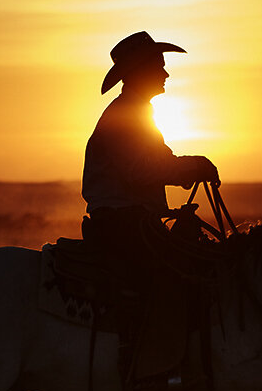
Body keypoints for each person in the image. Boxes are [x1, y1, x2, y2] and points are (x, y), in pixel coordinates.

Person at [81, 30, 219, 270]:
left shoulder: (137, 113)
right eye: (159, 67)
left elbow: (160, 162)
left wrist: (190, 169)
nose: (166, 74)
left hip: (131, 220)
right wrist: (195, 166)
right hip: (123, 223)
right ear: (141, 71)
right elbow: (141, 171)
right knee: (174, 275)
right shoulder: (126, 114)